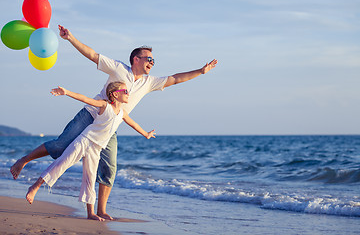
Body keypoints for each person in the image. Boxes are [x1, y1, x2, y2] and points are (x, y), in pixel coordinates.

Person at [11, 24, 218, 220]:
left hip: (111, 125)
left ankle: (100, 210)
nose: (152, 63)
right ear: (136, 59)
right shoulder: (119, 68)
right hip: (92, 114)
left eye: (154, 61)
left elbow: (175, 78)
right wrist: (70, 38)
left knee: (109, 167)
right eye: (149, 59)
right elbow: (92, 55)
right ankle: (24, 160)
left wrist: (200, 71)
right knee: (61, 145)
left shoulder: (149, 82)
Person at [26, 82, 156, 221]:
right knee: (62, 163)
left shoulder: (122, 113)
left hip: (96, 148)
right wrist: (66, 92)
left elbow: (134, 124)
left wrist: (146, 134)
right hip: (84, 141)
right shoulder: (104, 105)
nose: (128, 93)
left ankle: (91, 213)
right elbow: (85, 99)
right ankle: (35, 187)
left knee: (90, 178)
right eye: (125, 91)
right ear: (115, 94)